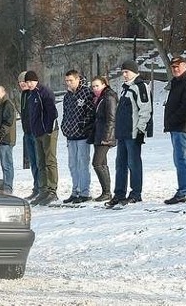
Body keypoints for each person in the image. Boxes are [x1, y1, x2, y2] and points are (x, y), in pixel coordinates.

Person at [106, 60, 152, 207]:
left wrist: (141, 131)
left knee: (134, 164)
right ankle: (119, 193)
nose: (124, 75)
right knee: (120, 165)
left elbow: (145, 110)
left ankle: (135, 193)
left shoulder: (140, 87)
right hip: (123, 133)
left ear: (134, 71)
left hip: (133, 134)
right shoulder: (126, 87)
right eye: (123, 72)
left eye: (127, 72)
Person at [163, 56, 186, 204]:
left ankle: (185, 191)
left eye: (178, 66)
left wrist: (173, 119)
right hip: (176, 126)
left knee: (181, 158)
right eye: (173, 67)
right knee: (182, 159)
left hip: (183, 126)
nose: (175, 69)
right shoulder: (177, 82)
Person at [21, 70, 59, 205]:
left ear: (36, 80)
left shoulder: (45, 92)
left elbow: (52, 112)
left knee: (50, 161)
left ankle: (52, 190)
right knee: (40, 162)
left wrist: (48, 129)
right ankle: (43, 190)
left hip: (48, 132)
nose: (29, 84)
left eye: (31, 81)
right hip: (36, 133)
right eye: (27, 82)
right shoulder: (30, 95)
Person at [61, 70, 95, 203]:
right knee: (72, 164)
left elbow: (91, 112)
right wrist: (65, 126)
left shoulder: (86, 92)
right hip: (70, 135)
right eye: (67, 81)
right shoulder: (67, 96)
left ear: (77, 79)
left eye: (71, 80)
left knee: (82, 163)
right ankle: (75, 191)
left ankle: (84, 192)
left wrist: (82, 125)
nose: (69, 83)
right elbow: (65, 113)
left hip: (82, 135)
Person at [88, 76, 117, 202]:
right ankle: (106, 191)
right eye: (93, 86)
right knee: (102, 163)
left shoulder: (109, 97)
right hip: (98, 134)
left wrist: (107, 136)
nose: (95, 88)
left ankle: (106, 191)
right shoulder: (99, 98)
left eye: (97, 86)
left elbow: (112, 118)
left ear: (104, 85)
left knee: (97, 163)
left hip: (105, 135)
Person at [0, 85, 16, 194]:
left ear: (4, 92)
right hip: (1, 139)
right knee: (4, 164)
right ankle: (6, 186)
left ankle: (8, 187)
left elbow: (8, 123)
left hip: (6, 139)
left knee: (7, 165)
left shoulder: (7, 104)